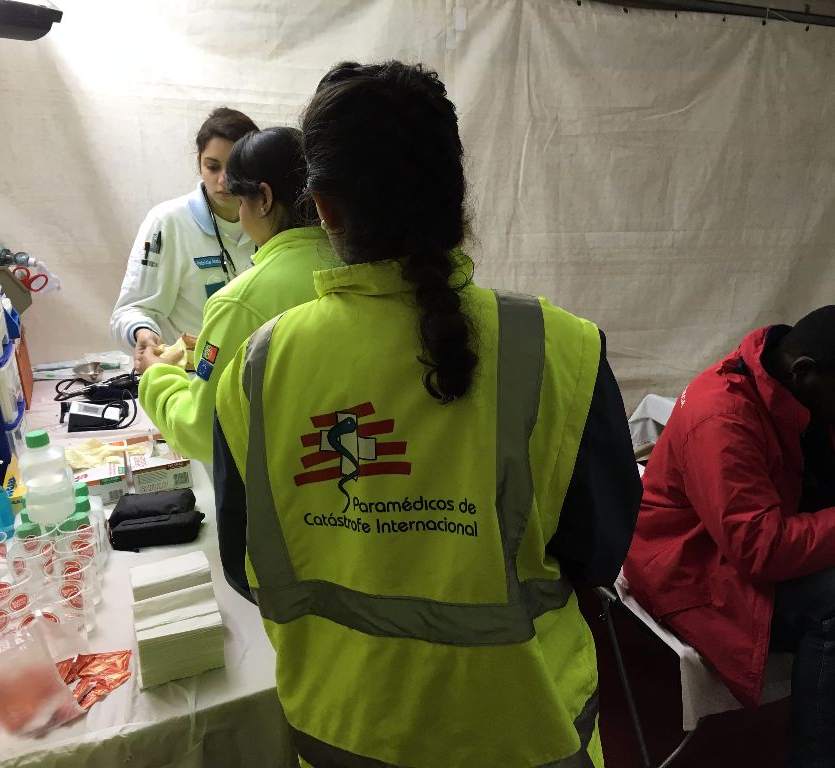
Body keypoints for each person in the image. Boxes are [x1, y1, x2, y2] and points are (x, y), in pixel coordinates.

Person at [213, 61, 641, 767]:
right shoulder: (561, 350)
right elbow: (599, 553)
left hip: (345, 738)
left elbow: (243, 563)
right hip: (527, 739)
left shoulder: (258, 368)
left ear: (322, 209)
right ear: (457, 198)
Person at [623, 305, 835, 768]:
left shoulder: (789, 385)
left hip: (746, 539)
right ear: (803, 371)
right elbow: (760, 549)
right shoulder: (722, 416)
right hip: (689, 563)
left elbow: (819, 482)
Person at [135, 127, 329, 464]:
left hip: (284, 474)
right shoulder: (356, 266)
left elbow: (202, 432)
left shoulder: (239, 303)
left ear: (264, 199)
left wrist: (156, 376)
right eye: (212, 166)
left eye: (241, 201)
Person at [110, 107, 259, 369]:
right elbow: (130, 311)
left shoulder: (271, 220)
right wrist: (142, 332)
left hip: (254, 375)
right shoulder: (166, 223)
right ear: (199, 162)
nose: (223, 180)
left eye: (235, 168)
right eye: (212, 166)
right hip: (191, 380)